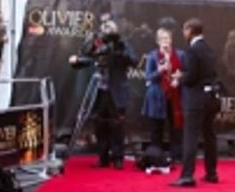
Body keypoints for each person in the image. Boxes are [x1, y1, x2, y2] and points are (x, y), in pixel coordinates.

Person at [70, 20, 138, 169]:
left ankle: (118, 158)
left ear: (116, 30)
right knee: (99, 124)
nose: (107, 31)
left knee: (117, 126)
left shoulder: (123, 46)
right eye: (105, 28)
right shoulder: (98, 44)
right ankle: (103, 157)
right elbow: (87, 57)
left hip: (117, 91)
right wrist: (77, 60)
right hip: (99, 91)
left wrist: (118, 52)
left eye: (111, 28)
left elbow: (134, 60)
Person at [172, 18, 220, 188]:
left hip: (195, 100)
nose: (183, 33)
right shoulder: (209, 49)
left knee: (190, 137)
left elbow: (191, 77)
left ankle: (187, 175)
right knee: (210, 136)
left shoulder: (192, 51)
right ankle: (211, 173)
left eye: (184, 30)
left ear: (190, 31)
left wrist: (180, 77)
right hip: (211, 98)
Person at [142, 27, 183, 169]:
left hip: (175, 96)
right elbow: (148, 77)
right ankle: (156, 156)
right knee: (156, 128)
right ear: (157, 41)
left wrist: (179, 78)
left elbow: (186, 72)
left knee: (176, 127)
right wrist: (159, 71)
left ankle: (176, 155)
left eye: (167, 38)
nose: (165, 41)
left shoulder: (180, 55)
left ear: (171, 40)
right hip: (156, 96)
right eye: (162, 39)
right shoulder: (152, 56)